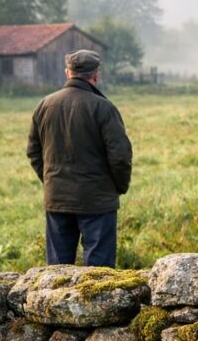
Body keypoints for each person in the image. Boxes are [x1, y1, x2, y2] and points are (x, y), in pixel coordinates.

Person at [26, 49, 132, 268]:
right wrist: (117, 188)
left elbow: (33, 152)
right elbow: (120, 156)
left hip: (57, 199)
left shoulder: (44, 105)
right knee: (98, 274)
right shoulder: (104, 108)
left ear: (68, 73)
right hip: (97, 201)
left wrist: (51, 181)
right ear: (96, 75)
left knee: (55, 274)